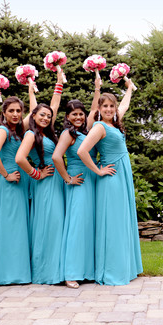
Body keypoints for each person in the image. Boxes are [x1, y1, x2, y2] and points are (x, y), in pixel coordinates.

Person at [77, 80, 143, 286]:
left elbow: (125, 105)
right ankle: (112, 270)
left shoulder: (114, 123)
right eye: (104, 106)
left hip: (122, 176)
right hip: (111, 178)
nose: (108, 109)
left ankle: (125, 266)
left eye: (111, 106)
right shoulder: (99, 127)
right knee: (113, 222)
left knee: (122, 220)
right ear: (98, 108)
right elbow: (82, 152)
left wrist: (129, 88)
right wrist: (98, 170)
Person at [15, 69, 65, 285]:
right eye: (41, 114)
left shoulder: (47, 133)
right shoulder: (29, 134)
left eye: (48, 116)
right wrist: (36, 173)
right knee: (48, 225)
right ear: (32, 116)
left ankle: (57, 269)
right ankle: (46, 273)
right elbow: (19, 158)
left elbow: (54, 105)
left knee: (57, 226)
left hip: (56, 183)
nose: (45, 117)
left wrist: (59, 83)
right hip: (44, 182)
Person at [51, 75, 101, 288]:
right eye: (74, 114)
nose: (79, 117)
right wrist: (67, 178)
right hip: (78, 181)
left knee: (88, 224)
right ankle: (70, 273)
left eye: (80, 114)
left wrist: (97, 88)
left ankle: (86, 270)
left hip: (91, 180)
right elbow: (56, 156)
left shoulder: (84, 130)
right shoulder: (67, 133)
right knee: (76, 225)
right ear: (68, 117)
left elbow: (93, 110)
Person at [0, 82, 36, 285]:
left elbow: (35, 112)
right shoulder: (3, 130)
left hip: (20, 182)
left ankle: (18, 271)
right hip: (9, 183)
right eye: (12, 111)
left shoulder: (18, 130)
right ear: (4, 112)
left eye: (18, 111)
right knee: (11, 225)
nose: (16, 114)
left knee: (18, 225)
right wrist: (6, 174)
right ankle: (9, 273)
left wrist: (30, 89)